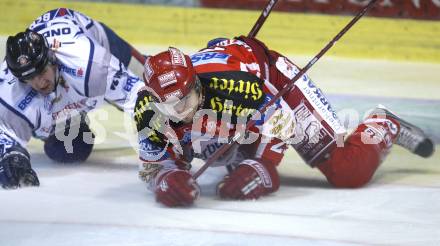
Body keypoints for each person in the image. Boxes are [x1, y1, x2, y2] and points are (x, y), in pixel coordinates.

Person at [134, 36, 435, 207]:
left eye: (185, 100)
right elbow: (153, 165)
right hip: (239, 94)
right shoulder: (147, 109)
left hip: (272, 82)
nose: (179, 111)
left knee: (347, 170)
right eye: (168, 106)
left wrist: (262, 167)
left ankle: (382, 124)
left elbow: (279, 118)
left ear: (197, 85)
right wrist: (165, 178)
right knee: (222, 149)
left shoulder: (235, 87)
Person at [0, 8, 144, 189]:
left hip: (97, 42)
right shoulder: (10, 90)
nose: (39, 82)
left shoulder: (91, 64)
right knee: (70, 149)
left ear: (52, 58)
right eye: (29, 78)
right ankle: (75, 116)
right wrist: (12, 157)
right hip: (73, 89)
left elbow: (137, 95)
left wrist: (168, 134)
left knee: (155, 81)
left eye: (41, 71)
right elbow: (5, 136)